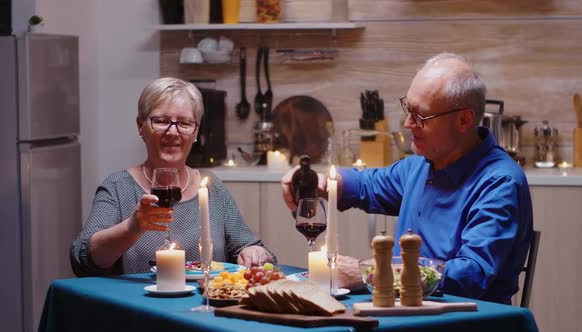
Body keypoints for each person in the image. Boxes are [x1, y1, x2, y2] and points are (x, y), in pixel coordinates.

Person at [281, 53, 533, 304]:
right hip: (408, 313)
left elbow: (471, 276)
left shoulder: (499, 183)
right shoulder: (421, 165)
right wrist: (319, 181)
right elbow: (366, 185)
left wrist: (373, 273)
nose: (408, 123)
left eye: (420, 116)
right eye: (407, 109)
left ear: (464, 119)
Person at [71, 77, 275, 277]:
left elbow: (251, 248)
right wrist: (132, 227)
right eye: (161, 121)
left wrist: (253, 253)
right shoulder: (118, 187)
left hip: (204, 307)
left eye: (185, 123)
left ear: (196, 132)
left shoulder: (211, 187)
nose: (172, 132)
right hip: (138, 308)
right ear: (140, 126)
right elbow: (83, 260)